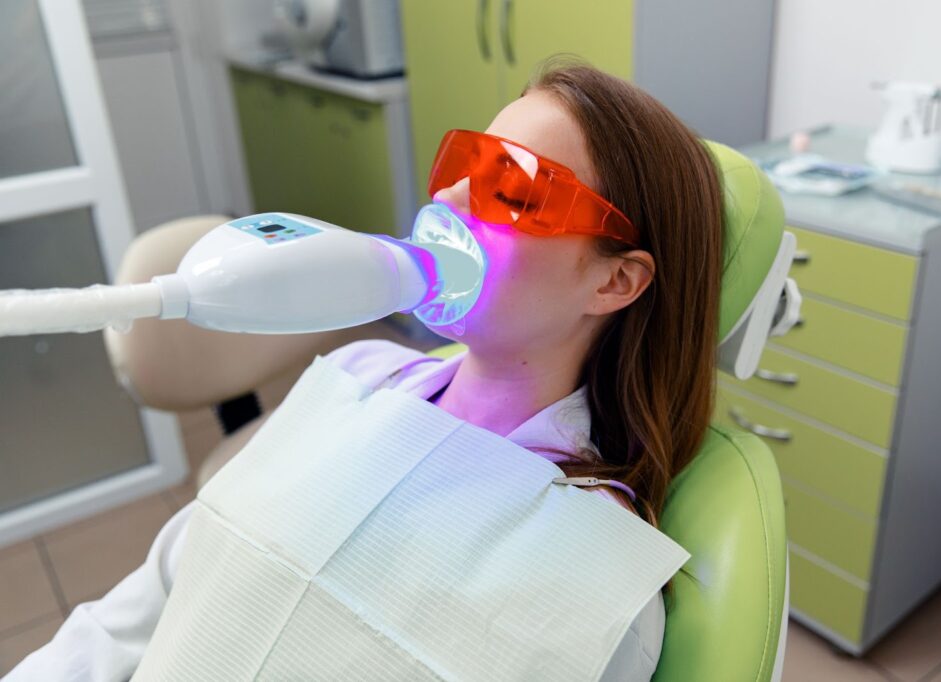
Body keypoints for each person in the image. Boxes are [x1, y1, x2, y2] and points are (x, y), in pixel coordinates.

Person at [7, 61, 723, 681]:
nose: (444, 202)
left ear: (616, 282)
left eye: (514, 187)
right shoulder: (355, 374)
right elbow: (156, 593)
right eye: (464, 165)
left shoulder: (598, 586)